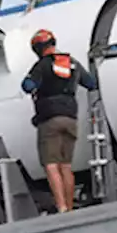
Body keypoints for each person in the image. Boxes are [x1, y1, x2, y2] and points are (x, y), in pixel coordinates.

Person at [21, 29, 98, 212]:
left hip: (49, 120)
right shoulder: (72, 62)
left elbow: (27, 86)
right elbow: (91, 83)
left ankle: (62, 207)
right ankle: (70, 207)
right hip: (70, 117)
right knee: (66, 166)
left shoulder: (41, 65)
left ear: (37, 48)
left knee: (51, 165)